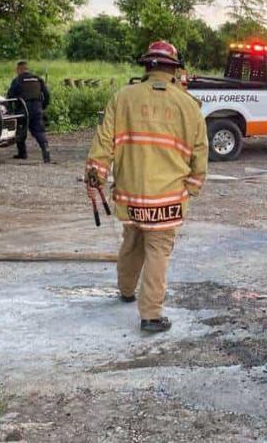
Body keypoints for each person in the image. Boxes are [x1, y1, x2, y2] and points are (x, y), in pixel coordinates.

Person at [85, 41, 208, 333]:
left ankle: (126, 290)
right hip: (167, 198)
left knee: (132, 241)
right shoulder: (189, 106)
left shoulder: (122, 98)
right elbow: (200, 153)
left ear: (147, 66)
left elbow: (103, 142)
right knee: (158, 251)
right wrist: (192, 187)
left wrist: (95, 177)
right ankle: (151, 315)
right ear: (174, 70)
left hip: (129, 196)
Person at [7, 61, 51, 163]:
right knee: (39, 131)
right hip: (37, 107)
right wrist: (42, 106)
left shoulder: (18, 80)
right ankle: (46, 150)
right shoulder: (38, 79)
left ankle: (22, 153)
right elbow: (47, 95)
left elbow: (10, 95)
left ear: (19, 69)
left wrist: (10, 110)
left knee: (21, 131)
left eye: (17, 70)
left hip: (23, 108)